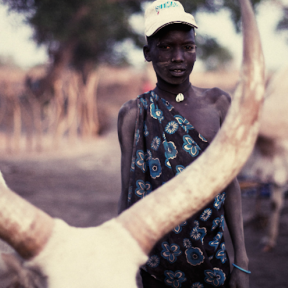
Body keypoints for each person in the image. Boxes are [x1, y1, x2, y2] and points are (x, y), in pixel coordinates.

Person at [117, 1, 250, 287]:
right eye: (165, 47)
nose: (178, 57)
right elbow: (128, 193)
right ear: (147, 53)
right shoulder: (133, 114)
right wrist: (123, 261)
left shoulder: (219, 105)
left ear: (195, 50)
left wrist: (241, 260)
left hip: (213, 261)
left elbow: (230, 185)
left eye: (187, 47)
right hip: (155, 267)